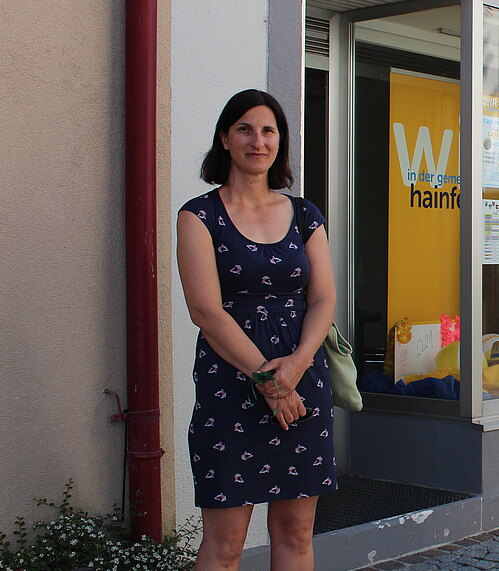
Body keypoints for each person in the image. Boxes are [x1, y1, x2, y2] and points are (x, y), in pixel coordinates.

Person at [177, 89, 339, 571]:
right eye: (245, 129)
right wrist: (269, 380)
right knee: (225, 544)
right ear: (225, 139)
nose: (258, 140)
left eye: (268, 130)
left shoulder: (306, 215)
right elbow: (205, 311)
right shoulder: (198, 216)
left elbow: (325, 298)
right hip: (231, 382)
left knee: (296, 535)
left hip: (302, 376)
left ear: (280, 142)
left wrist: (296, 366)